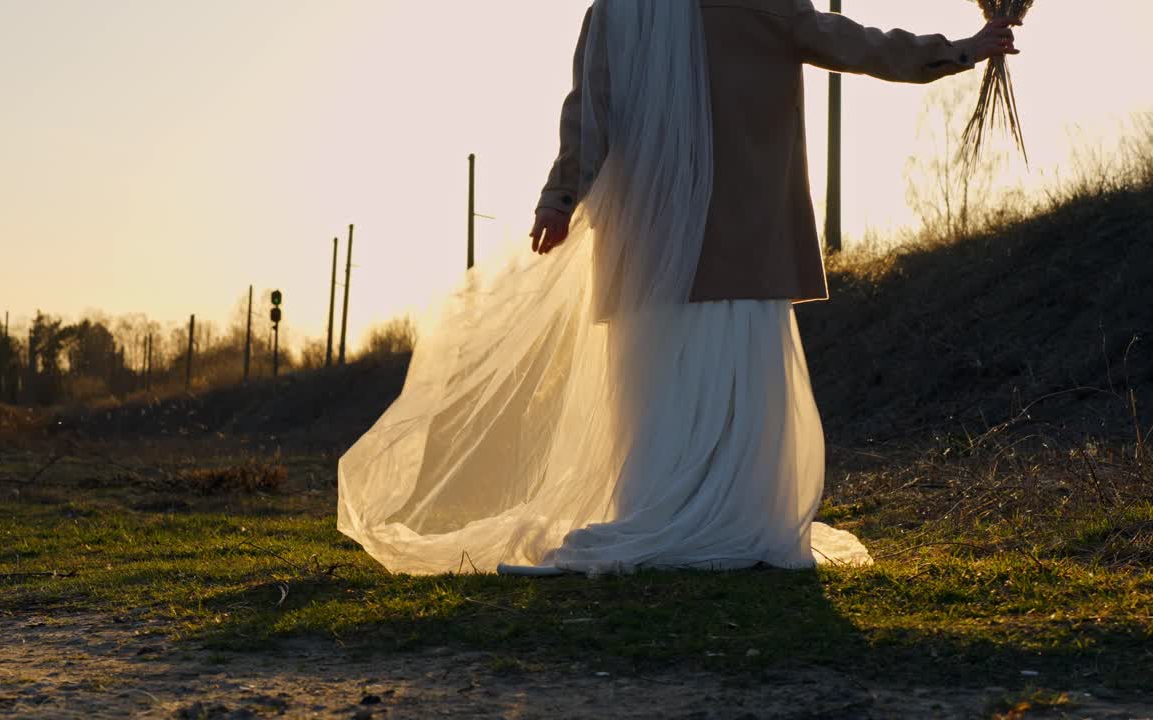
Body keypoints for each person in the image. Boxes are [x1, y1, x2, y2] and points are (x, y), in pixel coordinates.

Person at [337, 0, 1020, 577]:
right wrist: (957, 51)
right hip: (711, 245)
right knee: (694, 388)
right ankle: (697, 517)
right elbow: (842, 43)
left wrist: (959, 51)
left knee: (682, 388)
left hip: (683, 246)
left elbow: (591, 109)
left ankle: (685, 516)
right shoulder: (630, 8)